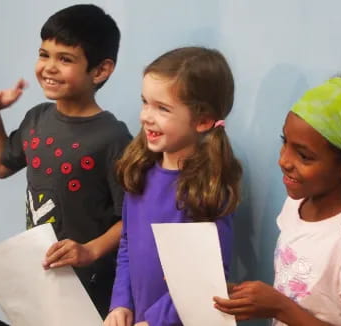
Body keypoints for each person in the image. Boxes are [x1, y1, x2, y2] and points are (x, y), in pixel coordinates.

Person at [214, 75, 341, 325]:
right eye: (285, 142)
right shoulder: (296, 206)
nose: (284, 160)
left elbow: (287, 307)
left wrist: (280, 308)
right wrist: (241, 297)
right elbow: (301, 294)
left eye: (303, 155)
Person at [0, 4, 131, 317]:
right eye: (44, 54)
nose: (48, 67)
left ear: (100, 70)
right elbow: (0, 166)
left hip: (91, 285)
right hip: (42, 274)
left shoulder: (112, 137)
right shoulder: (37, 118)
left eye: (64, 59)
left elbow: (131, 219)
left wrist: (90, 250)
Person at [104, 47, 242, 326]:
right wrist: (120, 303)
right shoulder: (138, 171)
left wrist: (155, 322)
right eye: (145, 102)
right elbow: (128, 245)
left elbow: (207, 277)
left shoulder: (210, 188)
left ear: (202, 120)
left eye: (162, 108)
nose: (146, 116)